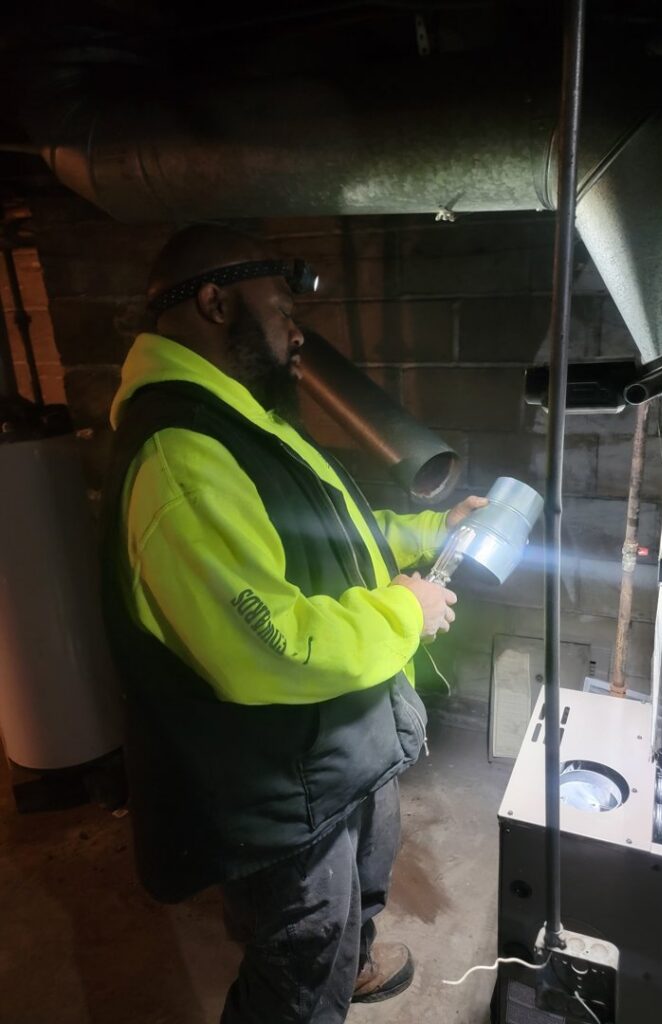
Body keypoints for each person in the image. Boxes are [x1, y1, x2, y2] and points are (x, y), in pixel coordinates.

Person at [101, 223, 487, 1023]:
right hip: (279, 779)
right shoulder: (182, 453)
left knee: (361, 872)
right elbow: (263, 644)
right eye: (279, 307)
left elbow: (335, 537)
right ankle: (323, 970)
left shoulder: (244, 419)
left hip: (336, 741)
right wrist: (404, 613)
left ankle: (352, 952)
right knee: (300, 948)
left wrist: (432, 536)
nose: (294, 328)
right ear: (214, 302)